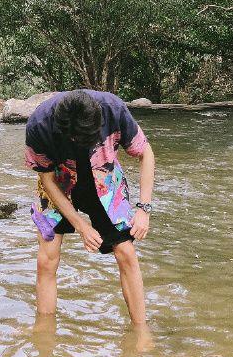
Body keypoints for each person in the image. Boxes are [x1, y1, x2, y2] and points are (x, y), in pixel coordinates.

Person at [25, 87, 155, 326]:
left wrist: (143, 209)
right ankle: (44, 334)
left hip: (104, 178)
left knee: (126, 253)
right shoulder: (39, 125)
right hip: (59, 181)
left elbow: (145, 153)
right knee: (46, 260)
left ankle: (141, 332)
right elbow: (46, 179)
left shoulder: (113, 109)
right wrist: (81, 226)